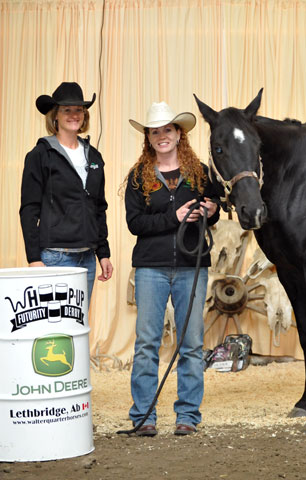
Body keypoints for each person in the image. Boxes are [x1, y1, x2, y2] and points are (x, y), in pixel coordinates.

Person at [124, 101, 219, 436]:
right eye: (155, 131)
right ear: (148, 138)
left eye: (168, 130)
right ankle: (144, 417)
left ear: (179, 134)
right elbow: (134, 223)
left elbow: (216, 207)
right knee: (147, 342)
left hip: (192, 267)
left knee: (191, 342)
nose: (162, 136)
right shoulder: (138, 177)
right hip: (151, 267)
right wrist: (173, 218)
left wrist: (210, 209)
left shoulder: (200, 173)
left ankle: (188, 416)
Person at [20, 81, 113, 305]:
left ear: (84, 115)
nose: (74, 115)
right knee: (54, 328)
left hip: (87, 257)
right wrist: (34, 258)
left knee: (78, 324)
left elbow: (99, 207)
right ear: (55, 116)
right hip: (54, 257)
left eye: (79, 109)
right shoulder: (40, 155)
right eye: (67, 110)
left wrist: (103, 253)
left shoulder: (94, 157)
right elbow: (29, 209)